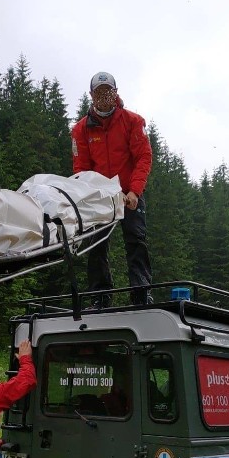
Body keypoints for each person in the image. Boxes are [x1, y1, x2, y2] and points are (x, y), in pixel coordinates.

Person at [71, 71, 153, 307]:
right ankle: (100, 297)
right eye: (99, 92)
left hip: (129, 193)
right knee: (95, 244)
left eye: (108, 91)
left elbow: (143, 157)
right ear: (91, 95)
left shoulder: (133, 121)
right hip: (100, 196)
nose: (104, 96)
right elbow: (81, 168)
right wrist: (92, 194)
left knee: (136, 241)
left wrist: (135, 191)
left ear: (116, 93)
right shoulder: (81, 130)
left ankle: (141, 294)